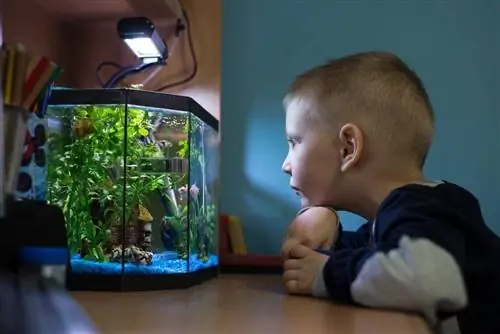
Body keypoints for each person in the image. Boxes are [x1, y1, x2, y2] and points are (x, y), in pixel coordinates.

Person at [280, 51, 500, 334]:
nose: (286, 164)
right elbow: (364, 258)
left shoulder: (424, 208)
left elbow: (429, 281)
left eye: (294, 141)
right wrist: (326, 226)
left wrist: (326, 273)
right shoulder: (392, 218)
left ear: (348, 148)